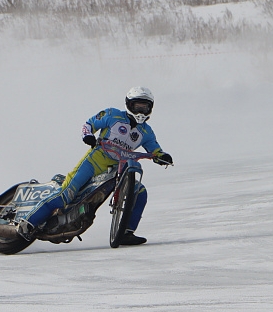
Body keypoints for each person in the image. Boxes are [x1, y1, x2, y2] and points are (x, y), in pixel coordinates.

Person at [23, 86, 172, 246]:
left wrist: (162, 157)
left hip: (118, 171)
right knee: (66, 195)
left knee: (140, 192)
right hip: (93, 163)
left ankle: (126, 232)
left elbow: (155, 150)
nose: (141, 111)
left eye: (145, 107)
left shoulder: (147, 132)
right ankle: (27, 223)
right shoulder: (112, 114)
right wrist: (87, 136)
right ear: (129, 104)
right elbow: (89, 124)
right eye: (138, 106)